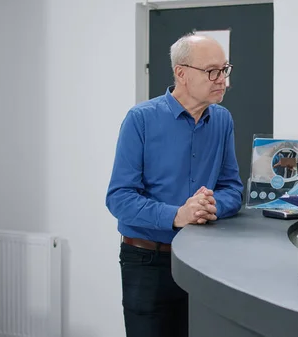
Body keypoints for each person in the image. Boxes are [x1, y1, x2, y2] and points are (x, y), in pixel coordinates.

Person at [106, 33, 244, 337]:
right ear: (181, 73)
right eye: (212, 71)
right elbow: (119, 198)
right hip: (147, 261)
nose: (223, 80)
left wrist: (212, 206)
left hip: (203, 259)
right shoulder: (140, 119)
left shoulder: (222, 120)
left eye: (225, 70)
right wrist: (177, 215)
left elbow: (233, 188)